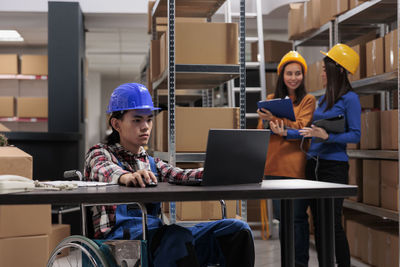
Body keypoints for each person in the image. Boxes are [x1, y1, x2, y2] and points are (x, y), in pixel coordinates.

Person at [84, 83, 255, 267]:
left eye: (149, 119)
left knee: (236, 230)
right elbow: (103, 168)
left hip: (155, 235)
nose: (145, 127)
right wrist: (126, 177)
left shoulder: (151, 162)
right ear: (116, 124)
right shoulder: (100, 153)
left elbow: (180, 175)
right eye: (137, 120)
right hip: (119, 241)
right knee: (176, 236)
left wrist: (222, 171)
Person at [270, 43, 361, 267]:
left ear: (338, 70)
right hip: (312, 166)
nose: (321, 73)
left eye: (324, 69)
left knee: (331, 225)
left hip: (333, 167)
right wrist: (286, 132)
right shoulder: (324, 99)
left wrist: (328, 137)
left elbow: (355, 135)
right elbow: (309, 131)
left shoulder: (350, 99)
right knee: (318, 225)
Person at [256, 51, 316, 267]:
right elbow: (262, 131)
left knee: (298, 219)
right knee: (283, 221)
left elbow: (302, 127)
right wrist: (267, 123)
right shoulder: (271, 100)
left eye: (298, 73)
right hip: (272, 166)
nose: (293, 77)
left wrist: (275, 120)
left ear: (303, 75)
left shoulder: (308, 100)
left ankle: (299, 264)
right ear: (282, 75)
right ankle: (287, 263)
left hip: (296, 168)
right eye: (289, 73)